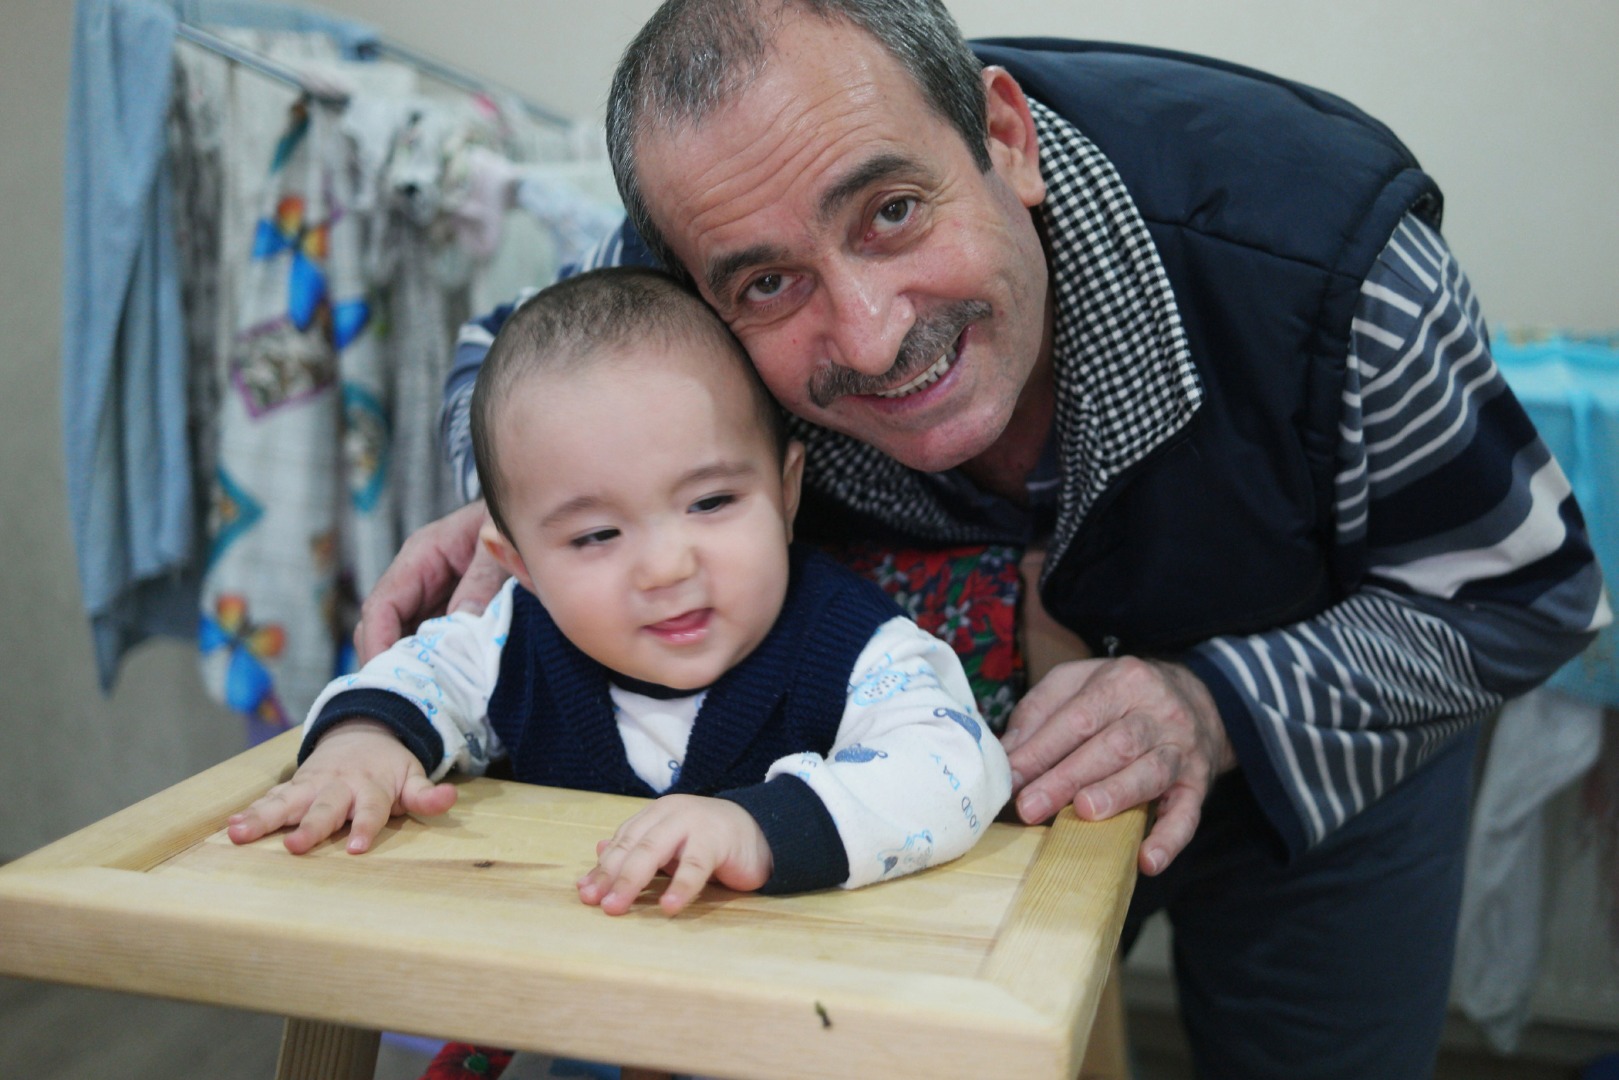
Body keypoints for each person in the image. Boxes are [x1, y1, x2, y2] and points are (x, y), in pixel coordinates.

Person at [356, 2, 1610, 1076]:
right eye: (768, 287)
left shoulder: (1332, 258)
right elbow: (508, 354)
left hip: (1315, 731)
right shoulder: (694, 242)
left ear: (1002, 138)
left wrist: (1214, 707)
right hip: (927, 785)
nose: (866, 332)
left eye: (893, 211)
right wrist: (523, 502)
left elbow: (1525, 590)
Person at [228, 266, 1012, 916]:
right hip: (584, 1000)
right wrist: (364, 742)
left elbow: (954, 767)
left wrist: (760, 827)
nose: (666, 567)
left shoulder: (854, 648)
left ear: (784, 493)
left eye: (710, 503)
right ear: (520, 564)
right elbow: (415, 676)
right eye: (597, 536)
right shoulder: (511, 636)